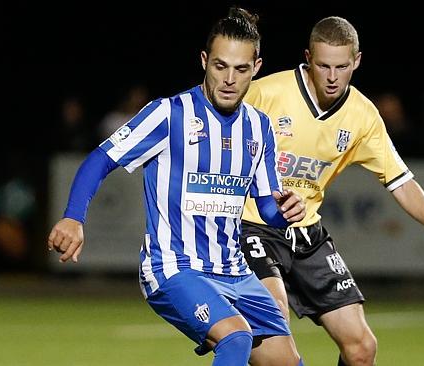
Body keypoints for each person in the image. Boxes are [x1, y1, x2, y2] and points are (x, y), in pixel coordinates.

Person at [47, 7, 306, 366]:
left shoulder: (259, 127)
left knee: (287, 362)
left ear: (256, 68)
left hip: (235, 271)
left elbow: (266, 208)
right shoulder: (169, 114)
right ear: (204, 61)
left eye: (241, 69)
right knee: (235, 337)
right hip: (174, 267)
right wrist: (74, 217)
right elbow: (101, 158)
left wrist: (286, 213)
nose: (229, 78)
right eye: (220, 66)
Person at [239, 16, 424, 366]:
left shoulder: (363, 115)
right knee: (276, 341)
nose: (332, 77)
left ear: (357, 61)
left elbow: (399, 178)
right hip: (252, 227)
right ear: (307, 58)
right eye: (323, 66)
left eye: (342, 67)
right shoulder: (267, 93)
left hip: (306, 235)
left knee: (362, 349)